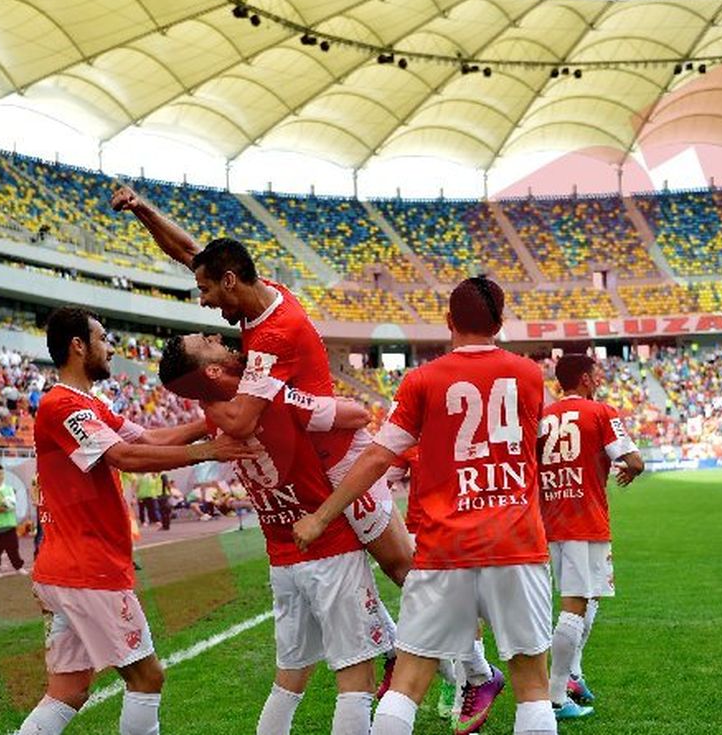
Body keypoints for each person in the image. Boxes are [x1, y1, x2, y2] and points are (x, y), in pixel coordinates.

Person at [294, 277, 558, 735]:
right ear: (500, 322)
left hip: (443, 549)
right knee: (532, 687)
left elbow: (377, 456)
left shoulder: (422, 380)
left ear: (449, 322)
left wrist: (321, 516)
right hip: (516, 543)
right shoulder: (530, 375)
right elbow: (536, 443)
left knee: (408, 683)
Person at [114, 189, 414, 587]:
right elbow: (188, 251)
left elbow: (238, 422)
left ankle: (466, 649)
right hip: (310, 450)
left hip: (336, 455)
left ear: (230, 281)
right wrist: (142, 211)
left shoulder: (273, 338)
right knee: (340, 572)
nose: (203, 302)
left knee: (400, 566)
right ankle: (399, 646)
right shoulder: (258, 295)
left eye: (205, 290)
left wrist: (202, 390)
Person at [14, 305, 257, 735]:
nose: (111, 348)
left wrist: (215, 421)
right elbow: (123, 456)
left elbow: (148, 439)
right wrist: (206, 452)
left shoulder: (89, 405)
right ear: (78, 346)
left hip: (65, 569)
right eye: (103, 338)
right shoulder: (61, 405)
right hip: (88, 570)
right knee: (147, 678)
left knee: (67, 692)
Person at [158, 333, 395, 735]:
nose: (216, 337)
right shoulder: (273, 399)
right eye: (206, 341)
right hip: (329, 549)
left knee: (288, 682)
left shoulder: (216, 419)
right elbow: (356, 414)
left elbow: (155, 440)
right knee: (356, 679)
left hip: (283, 560)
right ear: (213, 370)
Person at [538, 354, 644, 719]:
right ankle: (555, 696)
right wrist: (630, 470)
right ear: (584, 378)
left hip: (550, 519)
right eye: (595, 375)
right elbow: (634, 460)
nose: (598, 380)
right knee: (576, 604)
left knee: (590, 595)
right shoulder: (601, 412)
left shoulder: (542, 417)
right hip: (584, 521)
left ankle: (573, 675)